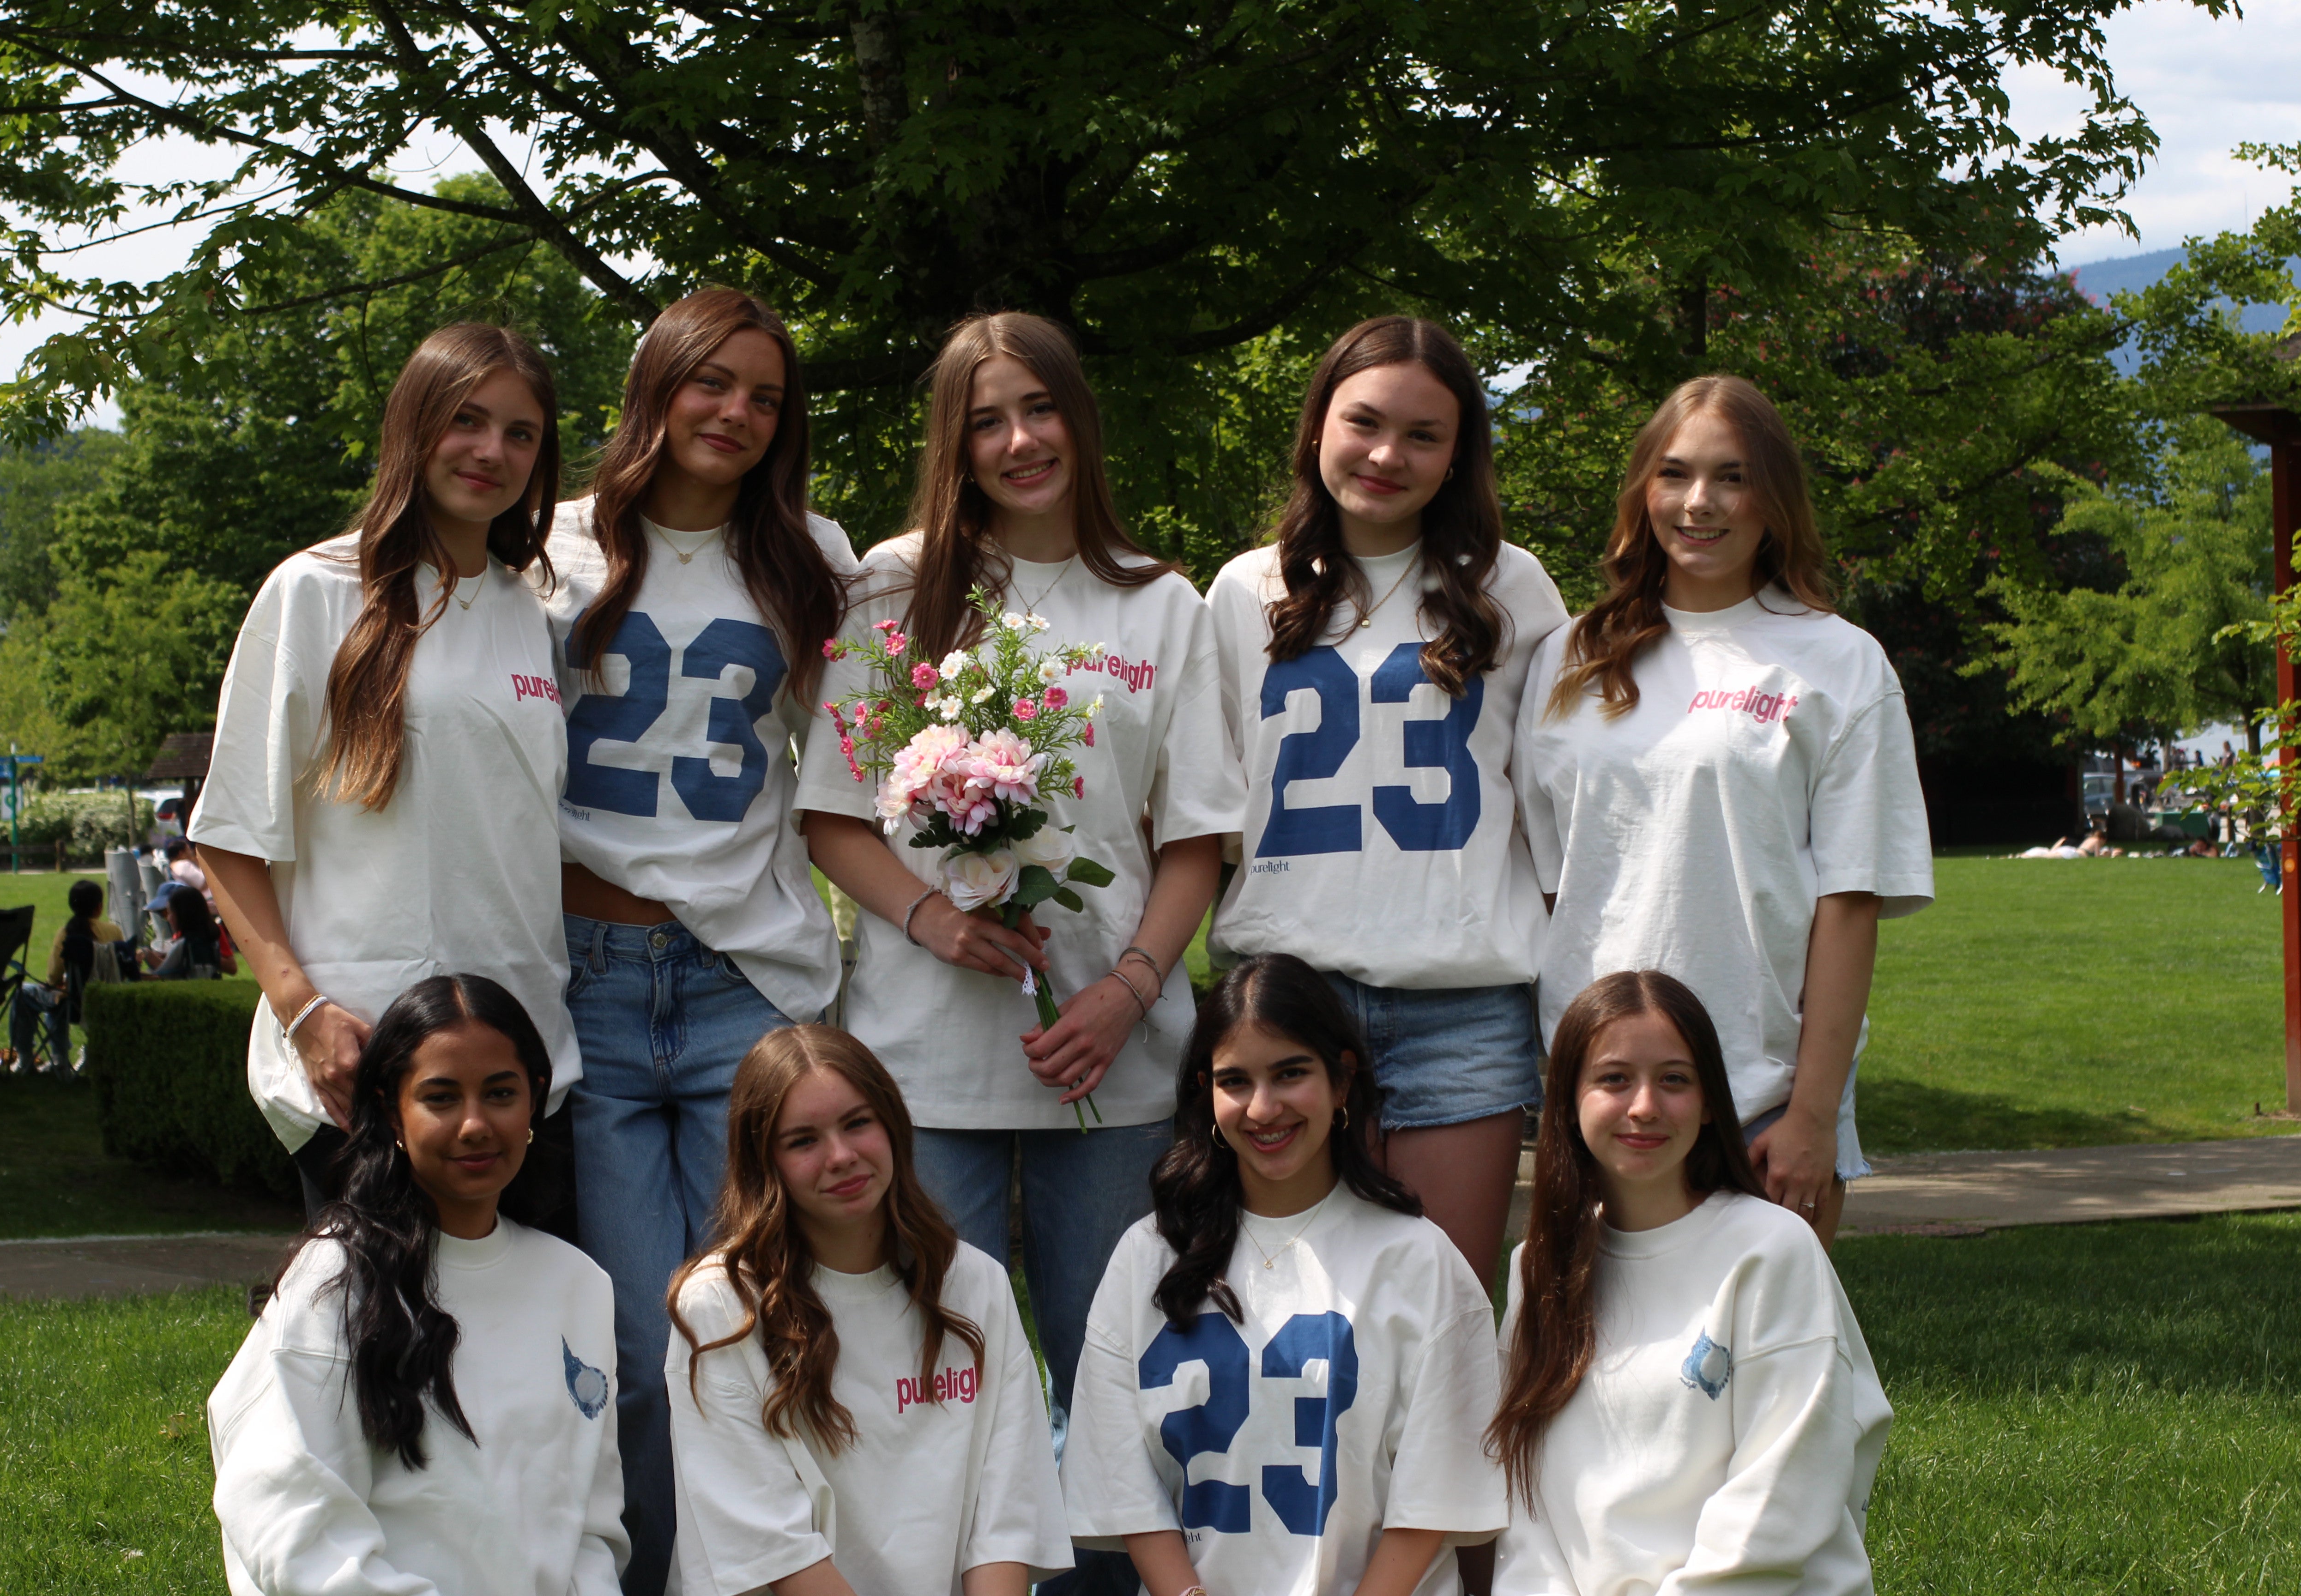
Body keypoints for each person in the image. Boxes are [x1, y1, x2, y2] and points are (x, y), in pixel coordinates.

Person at [797, 314, 1242, 1458]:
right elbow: (836, 815)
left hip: (1108, 1061)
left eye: (1038, 408)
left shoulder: (1158, 602)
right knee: (925, 1382)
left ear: (1077, 420)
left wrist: (1130, 987)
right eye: (985, 419)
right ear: (955, 442)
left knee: (1110, 1389)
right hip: (924, 1062)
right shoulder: (888, 590)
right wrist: (932, 915)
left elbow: (1196, 834)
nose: (1018, 440)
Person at [540, 286, 857, 1596]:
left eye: (765, 396)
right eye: (710, 382)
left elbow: (870, 746)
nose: (735, 412)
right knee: (630, 1337)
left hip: (745, 977)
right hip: (591, 978)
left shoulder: (811, 553)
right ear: (656, 387)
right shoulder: (546, 546)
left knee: (762, 1323)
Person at [1514, 375, 1933, 1244]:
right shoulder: (1571, 656)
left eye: (1732, 477)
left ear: (1772, 498)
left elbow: (1851, 904)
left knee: (1758, 1366)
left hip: (1763, 1099)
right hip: (1597, 1099)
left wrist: (1812, 1116)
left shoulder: (1839, 664)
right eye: (1673, 474)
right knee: (1594, 1364)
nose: (1698, 503)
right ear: (1641, 493)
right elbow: (1556, 887)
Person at [1205, 315, 1568, 1289]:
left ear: (1459, 456)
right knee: (1294, 1311)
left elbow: (1552, 808)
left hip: (1460, 1001)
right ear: (1318, 423)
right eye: (1363, 421)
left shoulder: (1513, 589)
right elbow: (1205, 808)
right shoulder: (1244, 592)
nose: (1386, 454)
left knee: (1443, 1316)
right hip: (1290, 999)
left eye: (1423, 434)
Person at [191, 323, 580, 1215]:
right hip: (367, 1072)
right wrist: (305, 1013)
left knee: (523, 1349)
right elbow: (227, 837)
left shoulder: (532, 614)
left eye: (521, 434)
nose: (493, 451)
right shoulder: (317, 591)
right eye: (467, 421)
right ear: (415, 428)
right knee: (384, 1352)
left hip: (524, 1073)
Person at [1062, 953, 1505, 1596]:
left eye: (1290, 1074)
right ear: (1205, 1094)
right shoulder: (1148, 1257)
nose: (1263, 1108)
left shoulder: (1420, 1262)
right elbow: (1122, 1478)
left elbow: (1434, 1496)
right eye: (1235, 1081)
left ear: (1342, 1082)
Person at [207, 973, 627, 1596]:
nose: (475, 1125)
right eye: (441, 1097)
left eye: (501, 1093)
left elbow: (593, 1533)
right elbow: (287, 1516)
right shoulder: (336, 1280)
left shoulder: (579, 1285)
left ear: (535, 1099)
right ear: (390, 1112)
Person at [1489, 970, 1890, 1596]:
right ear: (1567, 1102)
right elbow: (1525, 1509)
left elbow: (1782, 1496)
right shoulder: (1537, 1270)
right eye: (1614, 1079)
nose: (1645, 1106)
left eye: (1674, 1080)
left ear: (1708, 1105)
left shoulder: (1771, 1251)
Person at [664, 1023, 1070, 1596]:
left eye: (858, 1124)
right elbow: (774, 1552)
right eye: (803, 1140)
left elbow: (1005, 1519)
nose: (841, 1157)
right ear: (764, 1162)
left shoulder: (975, 1283)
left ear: (893, 1125)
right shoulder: (722, 1307)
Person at [7, 878, 125, 1076]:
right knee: (57, 998)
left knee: (27, 994)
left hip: (76, 1004)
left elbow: (52, 977)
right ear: (99, 907)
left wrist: (56, 983)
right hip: (107, 999)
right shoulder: (114, 931)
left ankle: (33, 1057)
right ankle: (61, 1059)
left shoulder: (66, 934)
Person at [141, 883, 235, 980]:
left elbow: (164, 974)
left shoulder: (188, 943)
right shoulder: (180, 938)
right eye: (163, 914)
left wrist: (147, 955)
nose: (168, 919)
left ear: (184, 913)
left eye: (168, 912)